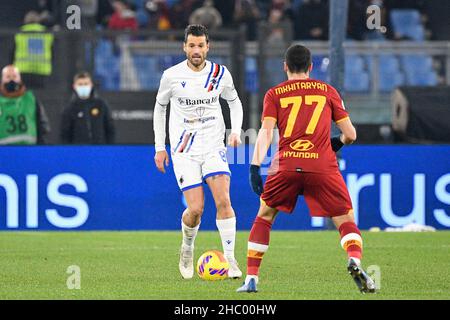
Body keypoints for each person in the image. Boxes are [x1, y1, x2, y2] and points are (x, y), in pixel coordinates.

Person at [236, 45, 376, 293]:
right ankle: (354, 260)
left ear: (285, 66)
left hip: (286, 164)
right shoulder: (327, 91)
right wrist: (335, 143)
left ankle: (251, 279)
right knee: (345, 219)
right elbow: (351, 134)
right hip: (322, 165)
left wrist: (255, 166)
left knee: (265, 216)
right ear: (311, 67)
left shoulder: (274, 94)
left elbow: (266, 133)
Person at [153, 24, 244, 279]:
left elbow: (234, 102)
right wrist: (160, 147)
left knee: (224, 200)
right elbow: (159, 109)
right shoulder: (171, 76)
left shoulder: (220, 74)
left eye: (200, 45)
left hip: (214, 145)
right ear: (184, 47)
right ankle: (187, 247)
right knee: (196, 210)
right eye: (191, 45)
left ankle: (230, 259)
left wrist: (235, 130)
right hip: (184, 150)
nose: (196, 50)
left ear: (208, 47)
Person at [60, 71, 115, 144]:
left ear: (91, 85)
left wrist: (108, 148)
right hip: (79, 152)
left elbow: (110, 129)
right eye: (80, 84)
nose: (83, 86)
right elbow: (65, 134)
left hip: (99, 150)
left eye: (86, 84)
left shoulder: (101, 105)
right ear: (74, 86)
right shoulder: (69, 108)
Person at [0, 65, 50, 145]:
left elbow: (42, 126)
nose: (11, 80)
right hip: (3, 153)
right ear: (2, 80)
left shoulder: (31, 100)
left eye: (14, 76)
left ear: (20, 79)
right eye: (8, 77)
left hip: (29, 152)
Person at [13, 11, 54, 89]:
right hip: (42, 70)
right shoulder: (47, 33)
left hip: (23, 69)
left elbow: (13, 51)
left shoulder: (19, 33)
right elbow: (52, 50)